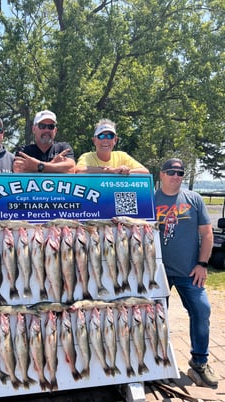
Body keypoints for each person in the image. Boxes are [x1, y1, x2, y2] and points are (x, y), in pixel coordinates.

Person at [155, 158, 217, 387]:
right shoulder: (149, 200)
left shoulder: (194, 199)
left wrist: (202, 264)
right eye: (171, 171)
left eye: (180, 173)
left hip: (189, 271)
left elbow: (207, 234)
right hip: (157, 273)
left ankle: (200, 362)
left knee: (202, 310)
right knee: (156, 319)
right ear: (161, 174)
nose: (176, 176)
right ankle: (157, 361)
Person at [75, 119, 149, 174]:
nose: (106, 140)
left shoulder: (122, 155)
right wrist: (111, 171)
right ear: (94, 140)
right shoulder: (87, 157)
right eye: (101, 136)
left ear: (115, 140)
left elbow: (145, 172)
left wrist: (122, 171)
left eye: (110, 136)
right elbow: (78, 170)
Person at [13, 109, 75, 174]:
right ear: (34, 129)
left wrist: (38, 166)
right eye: (42, 126)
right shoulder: (24, 151)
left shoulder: (63, 148)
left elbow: (71, 169)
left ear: (55, 131)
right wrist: (54, 165)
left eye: (51, 126)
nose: (47, 130)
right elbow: (18, 169)